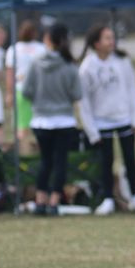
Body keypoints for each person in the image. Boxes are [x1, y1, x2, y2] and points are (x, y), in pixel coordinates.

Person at [79, 24, 135, 214]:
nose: (111, 42)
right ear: (96, 43)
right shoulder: (87, 67)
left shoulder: (122, 61)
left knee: (130, 159)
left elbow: (132, 90)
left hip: (123, 118)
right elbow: (84, 102)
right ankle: (108, 198)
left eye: (112, 37)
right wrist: (91, 130)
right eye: (107, 38)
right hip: (101, 121)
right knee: (106, 162)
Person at [22, 24, 83, 216]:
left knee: (45, 161)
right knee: (60, 162)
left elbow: (26, 91)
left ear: (47, 39)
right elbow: (77, 93)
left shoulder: (35, 63)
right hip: (64, 119)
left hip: (41, 120)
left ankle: (40, 200)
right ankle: (55, 201)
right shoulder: (69, 65)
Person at [4, 19, 46, 144]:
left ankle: (22, 150)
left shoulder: (13, 49)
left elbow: (10, 73)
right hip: (38, 90)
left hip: (21, 89)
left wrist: (9, 93)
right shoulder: (41, 48)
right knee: (39, 123)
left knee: (22, 124)